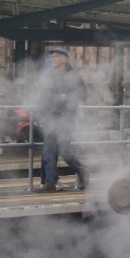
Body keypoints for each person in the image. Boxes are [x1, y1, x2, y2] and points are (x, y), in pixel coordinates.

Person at [35, 47, 88, 192]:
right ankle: (50, 182)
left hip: (66, 118)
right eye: (52, 57)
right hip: (50, 117)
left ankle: (82, 170)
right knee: (48, 151)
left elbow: (83, 95)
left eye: (57, 56)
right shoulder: (49, 76)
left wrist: (67, 97)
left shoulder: (74, 76)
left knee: (65, 149)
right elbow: (42, 95)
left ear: (65, 59)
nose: (53, 59)